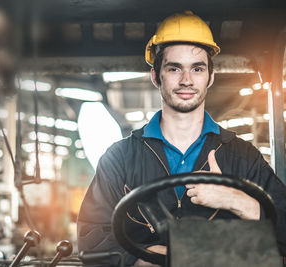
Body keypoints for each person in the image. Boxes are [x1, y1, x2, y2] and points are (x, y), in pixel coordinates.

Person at [77, 11, 286, 266]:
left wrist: (236, 200)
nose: (186, 80)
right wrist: (142, 259)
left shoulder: (243, 157)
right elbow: (91, 238)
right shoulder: (120, 158)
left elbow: (283, 233)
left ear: (210, 77)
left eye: (197, 69)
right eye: (174, 68)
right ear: (156, 76)